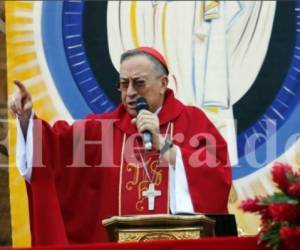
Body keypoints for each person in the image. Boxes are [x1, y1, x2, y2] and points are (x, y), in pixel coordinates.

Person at [9, 47, 231, 246]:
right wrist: (27, 119)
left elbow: (217, 176)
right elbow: (53, 148)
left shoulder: (192, 122)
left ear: (163, 83)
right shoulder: (101, 130)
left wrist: (165, 147)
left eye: (139, 83)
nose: (131, 92)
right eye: (124, 84)